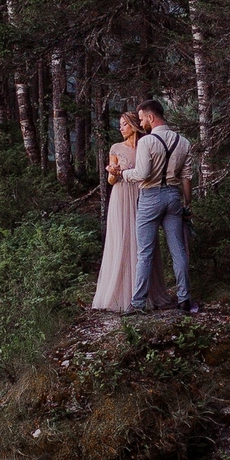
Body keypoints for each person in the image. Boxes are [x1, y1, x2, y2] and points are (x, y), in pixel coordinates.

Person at [118, 98, 195, 314]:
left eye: (142, 119)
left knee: (145, 252)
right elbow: (187, 177)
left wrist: (122, 174)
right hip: (173, 197)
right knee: (178, 251)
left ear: (151, 117)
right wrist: (187, 204)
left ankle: (138, 303)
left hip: (150, 196)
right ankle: (184, 298)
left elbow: (142, 174)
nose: (141, 124)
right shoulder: (184, 142)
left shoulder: (147, 142)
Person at [91, 110, 142, 312]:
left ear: (134, 125)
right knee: (122, 239)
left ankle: (141, 291)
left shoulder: (144, 146)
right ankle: (119, 293)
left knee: (140, 240)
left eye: (124, 124)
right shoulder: (116, 148)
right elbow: (112, 181)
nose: (121, 128)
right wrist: (113, 172)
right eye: (119, 124)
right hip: (121, 196)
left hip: (140, 194)